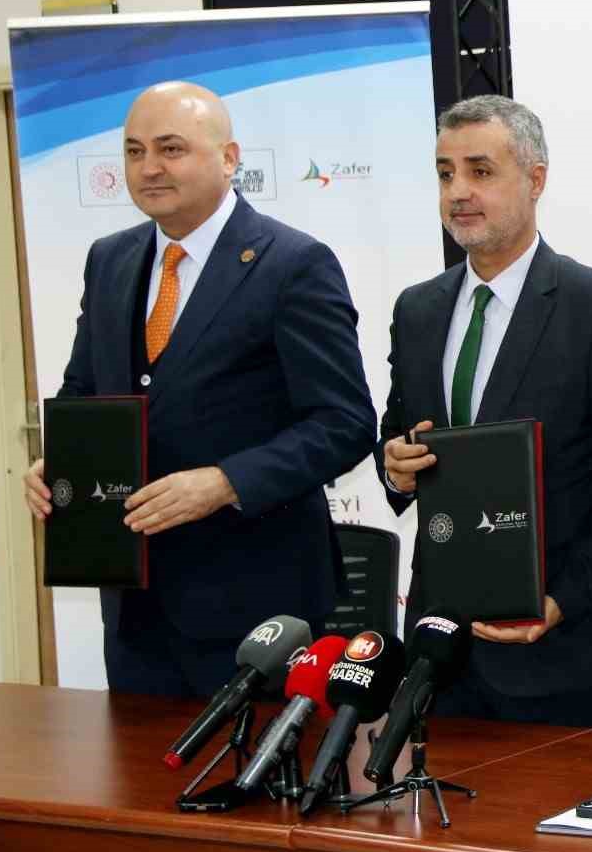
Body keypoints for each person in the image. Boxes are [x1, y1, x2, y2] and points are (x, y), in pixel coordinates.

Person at [24, 81, 377, 697]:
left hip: (259, 613)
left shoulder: (293, 263)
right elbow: (84, 392)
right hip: (134, 611)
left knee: (258, 766)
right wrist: (59, 460)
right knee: (135, 763)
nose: (149, 168)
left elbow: (344, 423)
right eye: (134, 151)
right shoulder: (109, 259)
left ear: (229, 158)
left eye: (171, 149)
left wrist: (225, 482)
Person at [376, 95, 592, 726]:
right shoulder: (417, 309)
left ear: (535, 179)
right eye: (445, 173)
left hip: (564, 656)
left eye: (480, 171)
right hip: (440, 653)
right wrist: (394, 467)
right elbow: (395, 434)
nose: (458, 191)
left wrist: (562, 598)